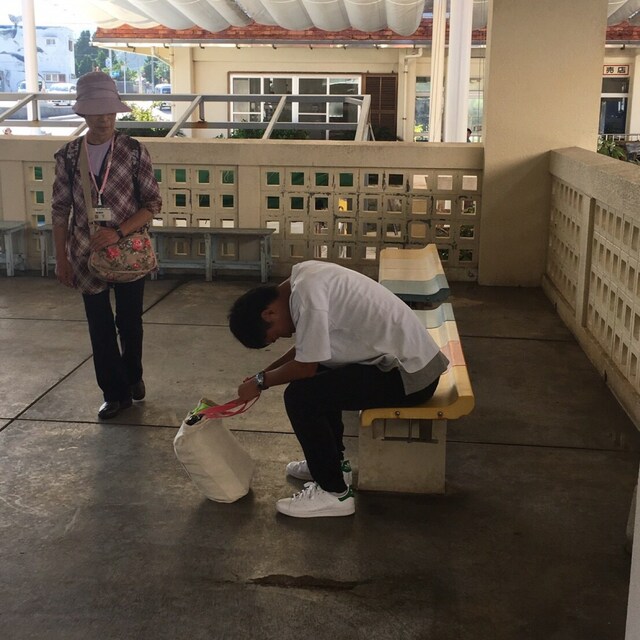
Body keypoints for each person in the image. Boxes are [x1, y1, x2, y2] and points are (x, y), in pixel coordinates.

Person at [228, 260, 449, 518]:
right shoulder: (303, 278)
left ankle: (333, 492)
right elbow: (307, 352)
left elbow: (305, 367)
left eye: (275, 335)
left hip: (411, 377)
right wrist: (261, 377)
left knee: (301, 398)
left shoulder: (308, 296)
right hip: (407, 366)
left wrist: (261, 381)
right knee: (316, 381)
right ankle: (333, 464)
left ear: (269, 314)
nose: (285, 336)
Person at [51, 71, 162, 420]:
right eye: (97, 111)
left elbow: (152, 204)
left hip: (128, 251)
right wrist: (61, 259)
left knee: (129, 321)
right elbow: (60, 210)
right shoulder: (69, 156)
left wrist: (118, 232)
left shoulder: (132, 151)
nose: (104, 119)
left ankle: (133, 376)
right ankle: (114, 394)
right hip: (85, 253)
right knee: (99, 326)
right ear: (83, 113)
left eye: (110, 111)